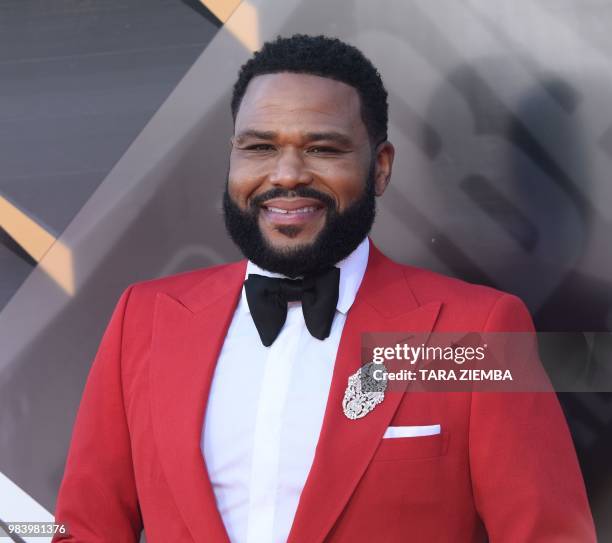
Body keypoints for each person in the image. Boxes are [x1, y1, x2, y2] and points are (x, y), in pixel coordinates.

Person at [53, 34, 595, 542]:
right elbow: (86, 529)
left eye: (323, 149)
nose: (286, 174)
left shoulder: (471, 332)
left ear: (380, 168)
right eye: (260, 148)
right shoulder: (146, 318)